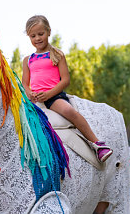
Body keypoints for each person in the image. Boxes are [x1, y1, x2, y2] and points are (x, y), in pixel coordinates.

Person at [22, 15, 113, 163]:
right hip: (35, 99)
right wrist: (29, 93)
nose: (37, 38)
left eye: (41, 34)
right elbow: (25, 83)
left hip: (53, 96)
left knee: (69, 111)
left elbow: (65, 80)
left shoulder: (57, 54)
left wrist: (49, 94)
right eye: (33, 36)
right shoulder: (28, 60)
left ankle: (97, 145)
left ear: (49, 32)